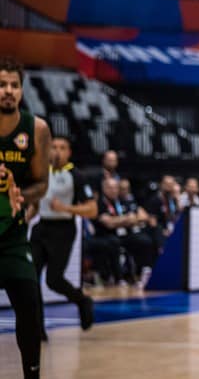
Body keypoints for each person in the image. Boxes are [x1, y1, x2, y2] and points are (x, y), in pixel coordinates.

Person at [0, 58, 52, 379]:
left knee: (30, 309)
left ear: (21, 91)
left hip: (13, 237)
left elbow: (42, 184)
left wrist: (22, 196)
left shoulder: (37, 129)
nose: (8, 91)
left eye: (14, 85)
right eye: (2, 84)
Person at [30, 136, 96, 337]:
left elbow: (92, 209)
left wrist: (65, 208)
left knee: (53, 280)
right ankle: (37, 328)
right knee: (31, 279)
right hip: (41, 229)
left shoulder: (77, 176)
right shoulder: (40, 173)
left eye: (62, 147)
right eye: (53, 147)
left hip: (63, 230)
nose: (57, 151)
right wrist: (24, 217)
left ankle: (82, 300)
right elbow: (35, 203)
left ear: (69, 152)